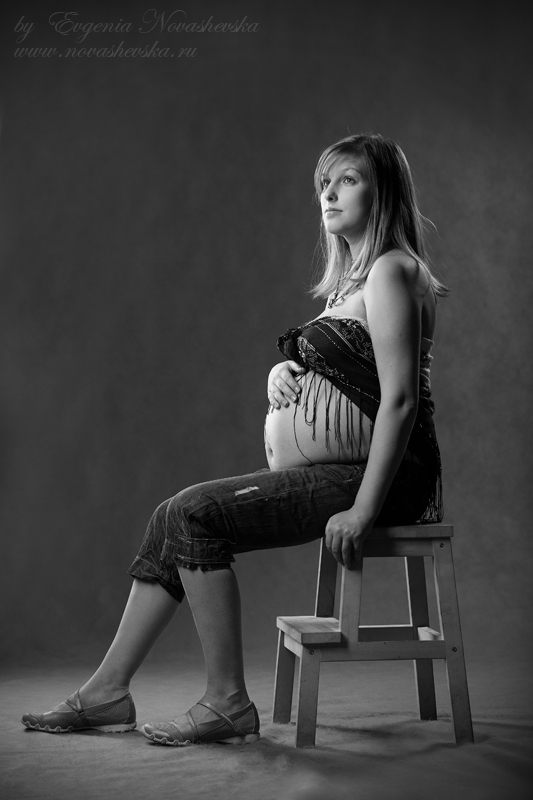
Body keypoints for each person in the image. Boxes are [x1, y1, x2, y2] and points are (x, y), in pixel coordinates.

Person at [21, 133, 447, 747]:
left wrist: (362, 509)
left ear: (383, 192)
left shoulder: (391, 270)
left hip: (381, 479)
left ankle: (226, 702)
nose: (328, 193)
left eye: (348, 180)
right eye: (323, 183)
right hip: (343, 472)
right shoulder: (356, 282)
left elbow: (400, 400)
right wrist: (285, 372)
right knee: (170, 516)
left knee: (195, 513)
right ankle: (106, 691)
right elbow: (356, 369)